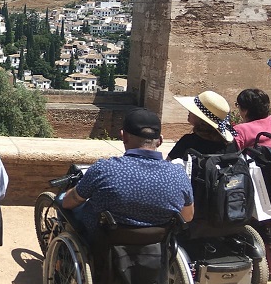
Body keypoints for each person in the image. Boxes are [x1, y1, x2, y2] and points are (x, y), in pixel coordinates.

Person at [61, 108, 193, 242]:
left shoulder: (104, 169)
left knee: (63, 200)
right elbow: (187, 216)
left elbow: (68, 203)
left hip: (105, 243)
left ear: (123, 136)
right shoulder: (178, 174)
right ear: (160, 141)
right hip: (156, 247)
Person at [168, 90, 236, 160]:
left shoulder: (188, 142)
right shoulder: (230, 146)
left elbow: (167, 165)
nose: (189, 111)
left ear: (201, 119)